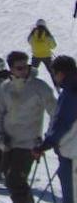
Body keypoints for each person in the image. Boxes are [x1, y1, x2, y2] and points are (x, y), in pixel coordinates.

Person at [0, 50, 57, 203]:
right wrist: (0, 137)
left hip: (29, 143)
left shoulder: (39, 87)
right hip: (9, 143)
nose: (24, 71)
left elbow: (55, 112)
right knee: (10, 180)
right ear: (11, 69)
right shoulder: (5, 87)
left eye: (26, 66)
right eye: (19, 68)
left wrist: (48, 139)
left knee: (15, 181)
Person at [38, 55, 77, 203]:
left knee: (71, 195)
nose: (55, 77)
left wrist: (46, 143)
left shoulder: (70, 92)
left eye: (54, 73)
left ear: (61, 73)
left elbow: (63, 122)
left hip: (71, 152)